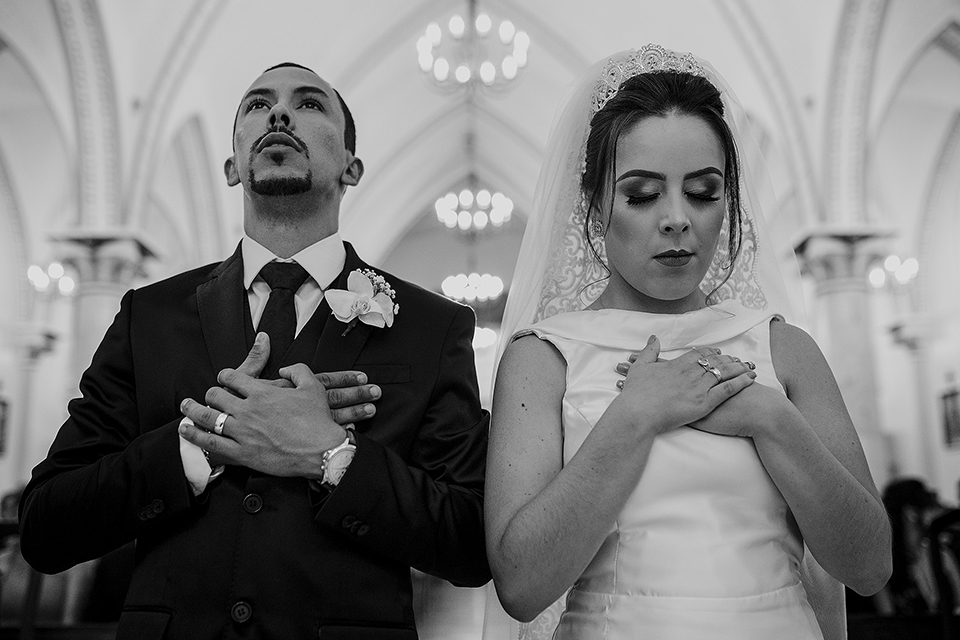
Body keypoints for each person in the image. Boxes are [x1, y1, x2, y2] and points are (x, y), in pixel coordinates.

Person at [19, 62, 490, 639]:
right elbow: (45, 526)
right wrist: (200, 447)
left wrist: (332, 455)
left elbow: (471, 541)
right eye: (256, 104)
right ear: (231, 165)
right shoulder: (150, 316)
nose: (280, 112)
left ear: (352, 166)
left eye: (311, 104)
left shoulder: (430, 326)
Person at [482, 45, 891, 640]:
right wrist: (635, 418)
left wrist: (770, 419)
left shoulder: (784, 349)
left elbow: (871, 567)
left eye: (702, 192)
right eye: (643, 194)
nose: (677, 219)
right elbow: (520, 588)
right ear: (596, 204)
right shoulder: (543, 358)